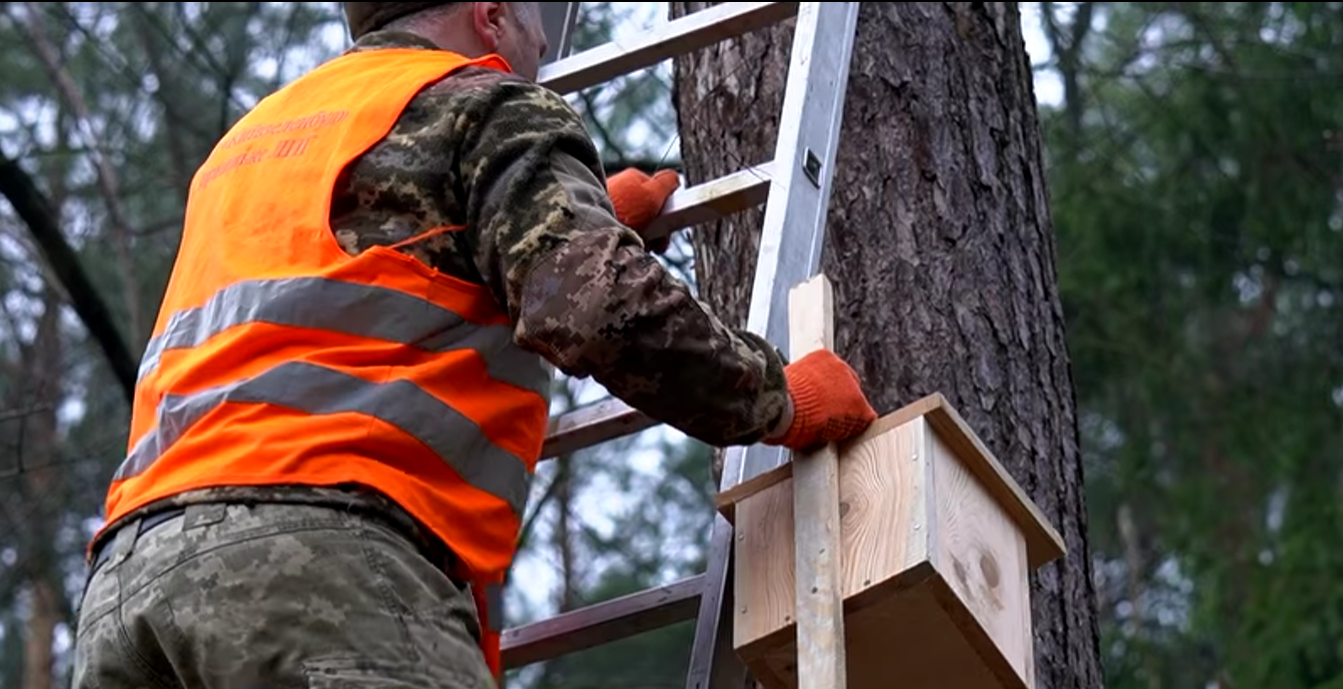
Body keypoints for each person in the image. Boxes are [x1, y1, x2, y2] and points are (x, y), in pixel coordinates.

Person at [70, 3, 879, 688]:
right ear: (489, 12)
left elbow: (354, 285)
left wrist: (560, 226)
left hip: (127, 591)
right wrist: (779, 398)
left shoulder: (252, 148)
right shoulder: (479, 102)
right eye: (536, 32)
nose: (537, 56)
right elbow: (595, 307)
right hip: (316, 564)